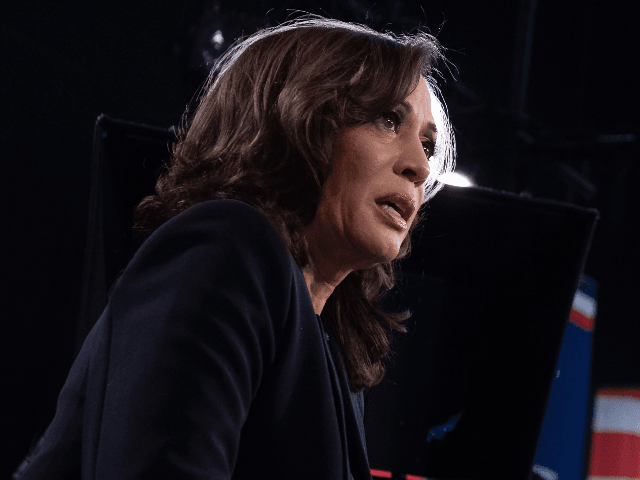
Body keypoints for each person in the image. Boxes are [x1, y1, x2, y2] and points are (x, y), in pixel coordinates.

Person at [14, 14, 455, 480]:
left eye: (428, 147)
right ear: (298, 118)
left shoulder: (333, 360)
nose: (420, 168)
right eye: (389, 120)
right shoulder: (229, 246)